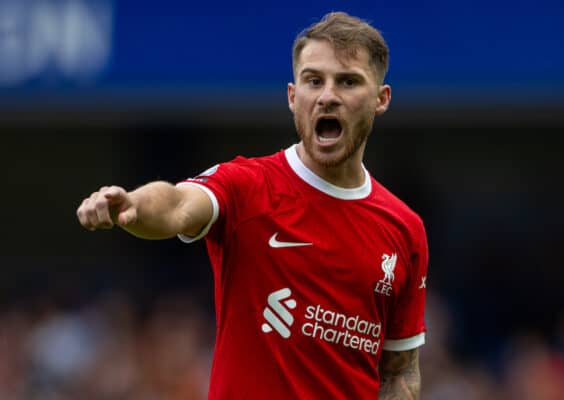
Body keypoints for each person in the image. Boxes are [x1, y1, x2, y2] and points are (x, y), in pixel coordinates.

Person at [77, 11, 429, 400]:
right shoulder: (247, 186)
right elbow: (177, 205)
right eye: (314, 80)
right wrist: (133, 206)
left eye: (348, 81)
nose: (328, 95)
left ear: (381, 99)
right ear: (294, 97)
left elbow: (399, 372)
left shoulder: (404, 227)